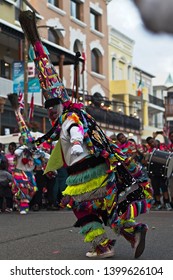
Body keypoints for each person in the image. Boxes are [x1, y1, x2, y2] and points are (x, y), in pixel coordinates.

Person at [19, 10, 153, 258]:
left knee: (82, 210)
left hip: (83, 175)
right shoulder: (75, 117)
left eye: (50, 108)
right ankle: (133, 233)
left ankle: (102, 246)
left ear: (56, 106)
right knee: (105, 207)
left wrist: (78, 143)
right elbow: (63, 143)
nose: (49, 113)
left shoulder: (70, 119)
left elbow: (74, 132)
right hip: (98, 171)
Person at [145, 136, 172, 210]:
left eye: (153, 141)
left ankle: (167, 202)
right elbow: (146, 161)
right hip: (154, 172)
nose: (152, 143)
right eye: (150, 143)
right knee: (156, 188)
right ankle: (158, 203)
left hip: (163, 171)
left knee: (164, 187)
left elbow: (169, 156)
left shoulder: (163, 147)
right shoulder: (149, 151)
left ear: (155, 140)